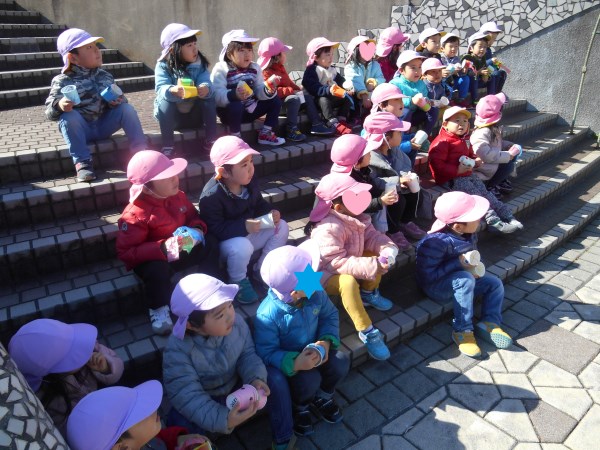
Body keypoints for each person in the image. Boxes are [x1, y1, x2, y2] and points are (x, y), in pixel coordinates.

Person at [254, 244, 350, 448]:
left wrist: (326, 341)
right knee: (309, 379)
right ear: (295, 292)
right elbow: (265, 352)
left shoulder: (315, 292)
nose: (316, 278)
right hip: (294, 364)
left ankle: (323, 397)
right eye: (309, 276)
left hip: (318, 349)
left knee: (341, 361)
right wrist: (295, 363)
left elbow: (330, 315)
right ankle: (300, 407)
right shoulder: (267, 314)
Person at [116, 150, 220, 335]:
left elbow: (193, 217)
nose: (175, 179)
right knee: (157, 270)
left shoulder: (178, 196)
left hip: (179, 248)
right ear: (147, 187)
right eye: (167, 177)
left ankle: (211, 288)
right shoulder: (134, 214)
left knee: (210, 243)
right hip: (155, 259)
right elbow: (127, 252)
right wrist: (162, 248)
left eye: (174, 174)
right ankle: (158, 308)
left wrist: (197, 229)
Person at [305, 172, 398, 360]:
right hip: (320, 274)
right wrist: (372, 265)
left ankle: (367, 294)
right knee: (348, 282)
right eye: (355, 197)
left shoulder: (357, 216)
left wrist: (387, 248)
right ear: (339, 207)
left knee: (375, 255)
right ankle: (367, 330)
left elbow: (371, 236)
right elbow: (335, 263)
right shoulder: (328, 227)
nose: (363, 200)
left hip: (345, 262)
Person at [162, 274, 270, 436]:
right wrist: (224, 419)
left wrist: (255, 378)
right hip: (207, 396)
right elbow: (188, 396)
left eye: (230, 305)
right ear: (192, 326)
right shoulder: (177, 351)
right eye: (220, 315)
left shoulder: (237, 324)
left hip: (235, 387)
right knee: (180, 423)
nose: (230, 316)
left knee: (272, 380)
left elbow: (247, 355)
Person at [415, 191, 513, 358]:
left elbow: (472, 256)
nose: (479, 220)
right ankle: (462, 330)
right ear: (458, 226)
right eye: (475, 218)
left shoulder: (469, 233)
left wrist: (473, 268)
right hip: (436, 287)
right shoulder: (434, 243)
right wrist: (458, 264)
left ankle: (489, 322)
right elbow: (427, 276)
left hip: (461, 279)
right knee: (465, 280)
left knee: (494, 283)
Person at [45, 28, 146, 182]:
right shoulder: (62, 80)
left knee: (127, 109)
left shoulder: (104, 75)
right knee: (68, 117)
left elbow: (121, 100)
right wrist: (60, 105)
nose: (97, 51)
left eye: (96, 46)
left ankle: (141, 154)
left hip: (104, 125)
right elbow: (49, 112)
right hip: (82, 130)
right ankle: (83, 163)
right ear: (73, 58)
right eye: (89, 47)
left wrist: (116, 102)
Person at [198, 136, 289, 304]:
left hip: (248, 232)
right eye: (244, 165)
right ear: (224, 172)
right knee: (242, 246)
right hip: (226, 245)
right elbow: (215, 229)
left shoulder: (248, 181)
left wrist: (270, 212)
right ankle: (238, 282)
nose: (250, 169)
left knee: (281, 226)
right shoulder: (211, 197)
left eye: (251, 162)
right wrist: (244, 226)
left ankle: (262, 270)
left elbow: (259, 203)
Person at [8, 318, 124, 435]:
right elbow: (76, 431)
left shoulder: (83, 343)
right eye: (73, 356)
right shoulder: (53, 403)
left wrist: (106, 368)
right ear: (55, 371)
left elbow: (117, 363)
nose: (84, 353)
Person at [428, 106, 523, 234]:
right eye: (457, 121)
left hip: (467, 174)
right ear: (445, 124)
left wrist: (475, 160)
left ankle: (507, 215)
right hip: (451, 179)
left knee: (486, 193)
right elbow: (437, 166)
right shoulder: (442, 142)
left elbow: (470, 153)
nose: (462, 124)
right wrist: (457, 171)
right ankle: (494, 221)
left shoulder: (464, 138)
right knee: (477, 196)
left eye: (465, 121)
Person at [362, 112, 427, 249]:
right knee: (398, 201)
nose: (402, 136)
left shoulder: (394, 150)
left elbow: (405, 166)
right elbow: (373, 182)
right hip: (381, 194)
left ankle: (405, 222)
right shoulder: (369, 158)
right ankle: (393, 230)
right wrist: (398, 181)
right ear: (387, 138)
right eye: (399, 133)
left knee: (416, 193)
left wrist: (409, 177)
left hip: (397, 187)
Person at [211, 29, 285, 145]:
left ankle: (265, 133)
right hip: (229, 114)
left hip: (250, 110)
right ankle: (235, 138)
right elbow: (216, 94)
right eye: (241, 51)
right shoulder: (222, 68)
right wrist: (234, 95)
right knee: (236, 104)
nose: (247, 54)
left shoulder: (255, 68)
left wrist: (268, 89)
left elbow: (258, 89)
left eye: (249, 50)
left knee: (275, 100)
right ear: (229, 54)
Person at [154, 23, 217, 156]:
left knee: (210, 96)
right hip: (173, 119)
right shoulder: (163, 66)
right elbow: (160, 87)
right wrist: (172, 90)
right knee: (164, 100)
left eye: (195, 44)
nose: (195, 49)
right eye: (189, 46)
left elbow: (206, 80)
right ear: (173, 50)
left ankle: (211, 141)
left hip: (195, 116)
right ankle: (168, 146)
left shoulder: (200, 64)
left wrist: (205, 88)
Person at [258, 37, 333, 140]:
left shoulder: (280, 67)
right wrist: (291, 91)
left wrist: (298, 89)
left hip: (287, 101)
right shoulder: (265, 72)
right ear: (277, 57)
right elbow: (272, 91)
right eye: (283, 53)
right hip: (277, 106)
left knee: (306, 97)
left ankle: (316, 124)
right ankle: (291, 129)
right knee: (294, 99)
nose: (285, 55)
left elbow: (289, 82)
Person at [330, 133, 395, 217]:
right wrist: (380, 201)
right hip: (351, 217)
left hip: (364, 205)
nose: (371, 154)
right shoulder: (346, 181)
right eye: (368, 153)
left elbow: (372, 187)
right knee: (379, 213)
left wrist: (383, 194)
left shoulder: (361, 170)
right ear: (357, 162)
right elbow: (354, 207)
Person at [471, 93, 521, 198]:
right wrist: (508, 155)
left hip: (492, 165)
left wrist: (509, 146)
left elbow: (496, 143)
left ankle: (499, 181)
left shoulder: (493, 128)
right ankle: (491, 186)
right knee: (509, 164)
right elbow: (485, 154)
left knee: (510, 160)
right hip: (483, 169)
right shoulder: (482, 132)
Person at [302, 37, 354, 135]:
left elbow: (340, 81)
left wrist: (347, 88)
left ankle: (341, 120)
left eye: (332, 54)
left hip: (332, 96)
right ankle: (332, 122)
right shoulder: (312, 70)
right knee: (323, 100)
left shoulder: (331, 69)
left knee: (346, 98)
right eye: (327, 55)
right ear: (316, 57)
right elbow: (313, 87)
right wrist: (328, 90)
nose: (331, 57)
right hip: (317, 100)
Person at [369, 82, 427, 166]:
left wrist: (410, 137)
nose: (402, 104)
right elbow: (387, 146)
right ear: (382, 105)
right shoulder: (377, 125)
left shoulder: (395, 119)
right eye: (396, 100)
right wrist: (408, 145)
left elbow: (397, 138)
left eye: (401, 100)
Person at [390, 51, 436, 135]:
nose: (417, 71)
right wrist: (411, 101)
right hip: (400, 116)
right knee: (406, 111)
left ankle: (424, 135)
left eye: (419, 67)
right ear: (402, 70)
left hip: (414, 114)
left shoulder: (421, 83)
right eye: (413, 68)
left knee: (433, 110)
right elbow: (393, 102)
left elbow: (424, 96)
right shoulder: (395, 84)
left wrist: (426, 100)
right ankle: (402, 136)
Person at [344, 36, 385, 118]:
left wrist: (374, 82)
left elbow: (381, 79)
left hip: (372, 93)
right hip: (356, 94)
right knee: (350, 96)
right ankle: (355, 118)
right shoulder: (350, 66)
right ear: (356, 51)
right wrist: (364, 95)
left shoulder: (375, 65)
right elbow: (356, 80)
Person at [440, 32, 477, 107]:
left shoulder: (456, 59)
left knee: (465, 78)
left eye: (456, 46)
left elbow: (461, 74)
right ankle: (449, 101)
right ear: (442, 48)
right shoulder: (440, 59)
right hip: (444, 83)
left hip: (454, 82)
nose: (453, 49)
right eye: (451, 46)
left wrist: (464, 69)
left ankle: (461, 99)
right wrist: (451, 71)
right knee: (447, 86)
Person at [462, 31, 499, 97]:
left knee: (493, 75)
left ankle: (492, 96)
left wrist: (486, 75)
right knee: (474, 78)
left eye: (485, 47)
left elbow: (485, 68)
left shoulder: (482, 58)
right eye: (480, 46)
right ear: (471, 48)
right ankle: (474, 100)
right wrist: (479, 72)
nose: (482, 49)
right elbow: (468, 73)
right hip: (470, 84)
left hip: (479, 82)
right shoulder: (468, 58)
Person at [479, 21, 507, 94]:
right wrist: (491, 61)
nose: (492, 41)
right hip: (480, 76)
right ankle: (492, 95)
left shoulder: (488, 50)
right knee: (495, 74)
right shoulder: (479, 50)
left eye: (494, 39)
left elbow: (490, 67)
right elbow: (480, 64)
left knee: (502, 73)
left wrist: (496, 65)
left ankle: (497, 93)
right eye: (491, 38)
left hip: (488, 73)